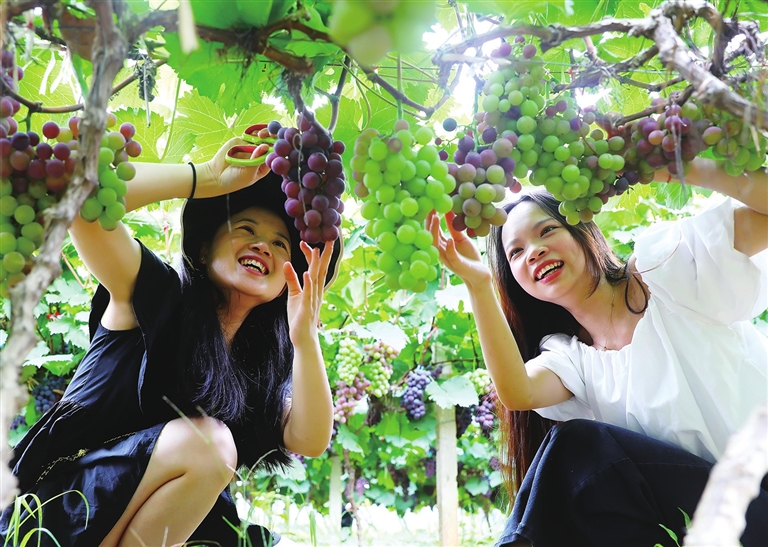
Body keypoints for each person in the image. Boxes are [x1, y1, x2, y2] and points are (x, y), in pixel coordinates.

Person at [0, 138, 342, 547]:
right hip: (54, 513)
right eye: (246, 229)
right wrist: (204, 177)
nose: (261, 246)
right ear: (203, 249)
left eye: (279, 244)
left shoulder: (253, 370)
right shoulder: (155, 294)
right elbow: (82, 199)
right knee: (209, 444)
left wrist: (305, 339)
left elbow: (310, 439)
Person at [429, 156, 768, 547]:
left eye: (547, 230)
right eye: (516, 252)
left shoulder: (666, 271)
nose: (534, 251)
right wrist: (478, 284)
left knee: (576, 445)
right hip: (718, 517)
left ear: (582, 231)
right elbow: (517, 391)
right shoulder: (574, 360)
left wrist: (673, 164)